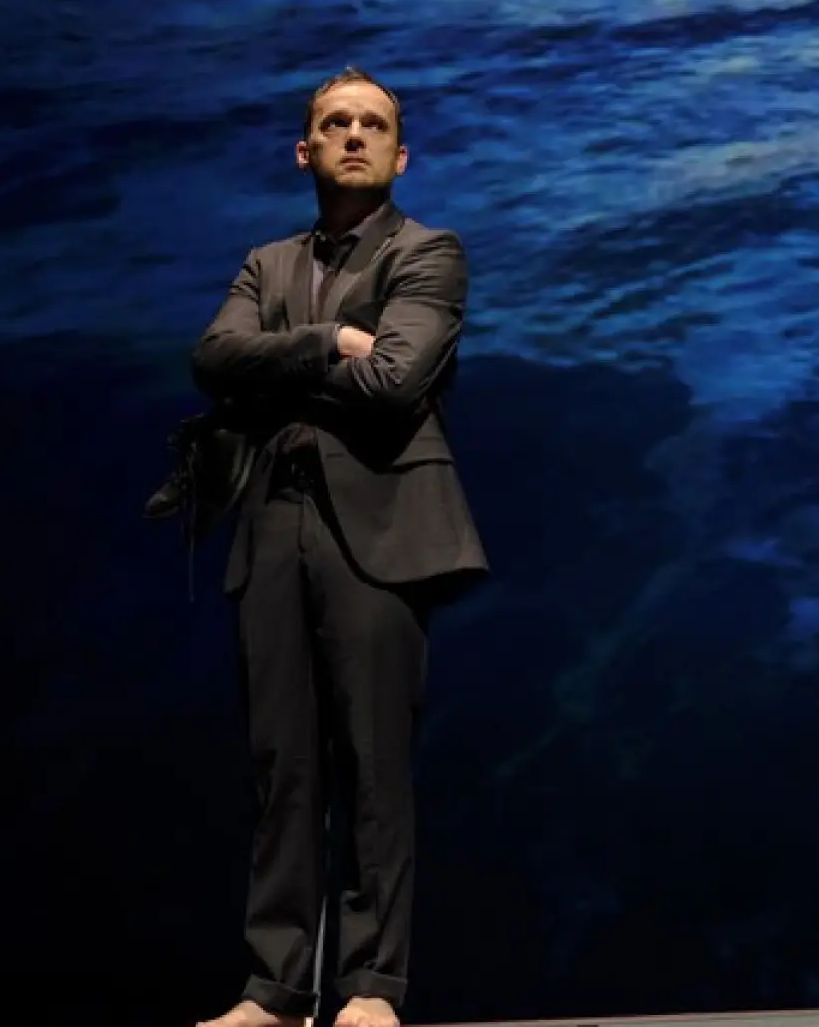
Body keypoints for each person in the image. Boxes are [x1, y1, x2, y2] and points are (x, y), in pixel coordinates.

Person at [189, 66, 487, 1027]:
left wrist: (284, 366)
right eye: (335, 123)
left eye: (373, 125)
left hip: (382, 526)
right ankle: (275, 991)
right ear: (304, 149)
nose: (354, 135)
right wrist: (331, 343)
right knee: (281, 764)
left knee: (371, 762)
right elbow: (214, 360)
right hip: (275, 520)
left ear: (400, 156)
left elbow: (396, 381)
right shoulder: (264, 263)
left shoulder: (427, 252)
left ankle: (369, 987)